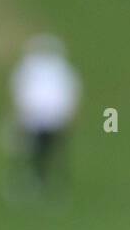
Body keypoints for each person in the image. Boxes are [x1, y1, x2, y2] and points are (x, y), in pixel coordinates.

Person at [8, 35, 81, 198]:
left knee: (51, 150)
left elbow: (68, 93)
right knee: (33, 150)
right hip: (36, 116)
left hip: (52, 116)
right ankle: (35, 179)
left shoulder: (58, 69)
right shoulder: (31, 69)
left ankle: (50, 181)